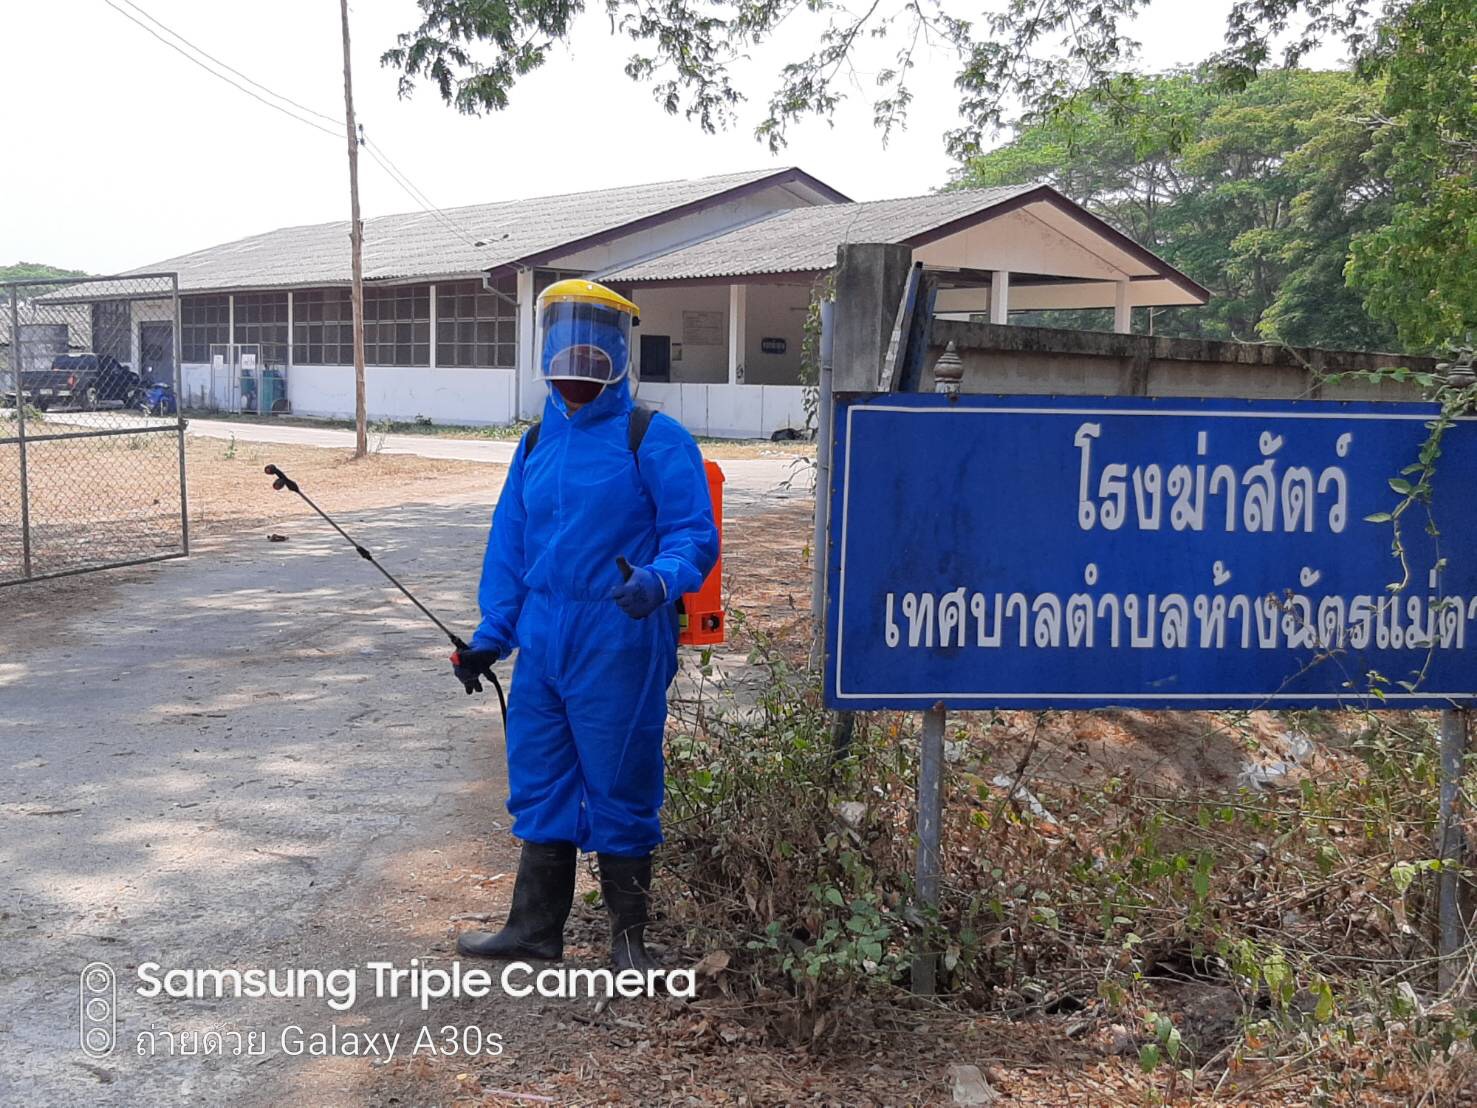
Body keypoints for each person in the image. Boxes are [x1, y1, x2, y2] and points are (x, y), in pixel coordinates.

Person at [451, 279, 719, 972]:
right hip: (544, 637)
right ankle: (533, 929)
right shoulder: (535, 442)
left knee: (620, 776)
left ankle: (628, 944)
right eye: (564, 359)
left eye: (591, 360)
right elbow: (511, 547)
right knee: (540, 775)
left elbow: (693, 534)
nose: (575, 373)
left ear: (617, 358)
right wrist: (491, 637)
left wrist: (659, 580)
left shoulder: (651, 437)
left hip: (620, 633)